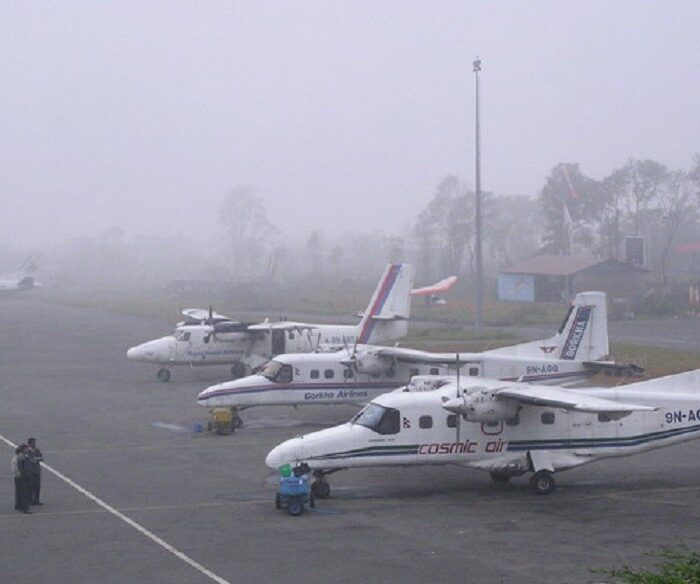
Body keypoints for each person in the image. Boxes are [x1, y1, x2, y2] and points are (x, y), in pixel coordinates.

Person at [11, 444, 31, 513]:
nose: (28, 450)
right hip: (21, 477)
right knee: (24, 493)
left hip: (19, 477)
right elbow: (17, 469)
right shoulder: (20, 458)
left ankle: (18, 505)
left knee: (19, 492)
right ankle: (24, 508)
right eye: (26, 449)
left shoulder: (20, 457)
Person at [27, 437, 43, 505]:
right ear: (30, 444)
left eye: (35, 443)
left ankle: (36, 500)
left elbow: (41, 458)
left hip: (37, 470)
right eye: (33, 443)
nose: (35, 444)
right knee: (31, 486)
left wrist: (35, 459)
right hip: (30, 471)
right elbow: (30, 460)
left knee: (37, 486)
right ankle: (30, 500)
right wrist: (36, 459)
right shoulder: (27, 451)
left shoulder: (37, 450)